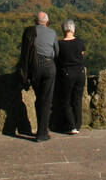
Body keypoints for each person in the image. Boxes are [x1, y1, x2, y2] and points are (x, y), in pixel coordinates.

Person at [56, 19, 87, 135]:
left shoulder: (60, 44)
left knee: (66, 100)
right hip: (80, 72)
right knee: (77, 100)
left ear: (63, 29)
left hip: (67, 74)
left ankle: (71, 125)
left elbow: (57, 58)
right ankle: (78, 125)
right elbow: (82, 54)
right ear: (73, 29)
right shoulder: (80, 42)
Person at [32, 11, 59, 142]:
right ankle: (42, 132)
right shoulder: (52, 33)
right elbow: (56, 51)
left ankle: (40, 128)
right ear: (47, 22)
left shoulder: (30, 32)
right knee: (47, 99)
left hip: (34, 66)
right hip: (48, 65)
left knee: (38, 97)